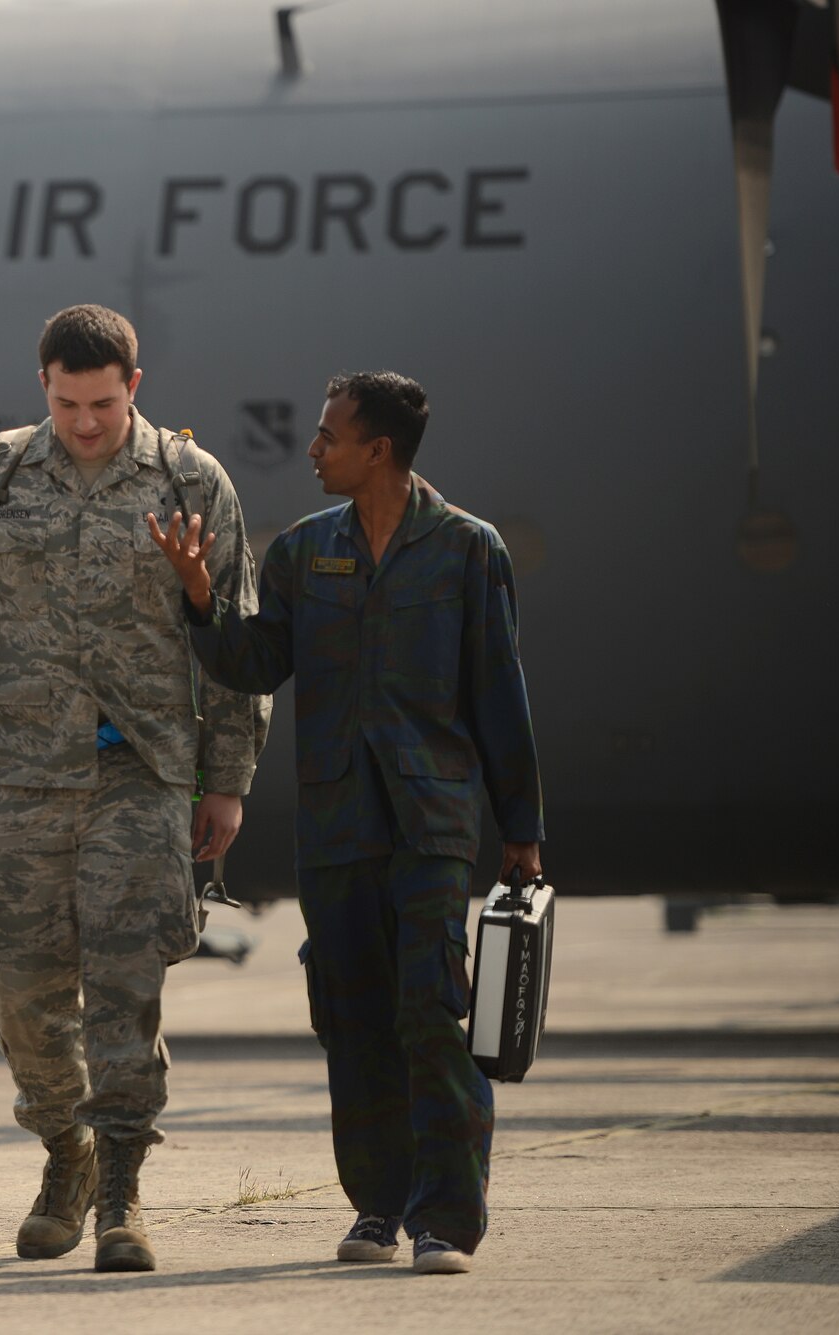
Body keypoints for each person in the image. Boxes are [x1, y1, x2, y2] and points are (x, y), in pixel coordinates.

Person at [0, 305, 271, 1272]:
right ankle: (69, 1152)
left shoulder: (192, 482)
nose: (86, 422)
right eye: (67, 402)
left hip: (137, 772)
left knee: (125, 987)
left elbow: (235, 637)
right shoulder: (0, 474)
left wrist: (224, 779)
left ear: (134, 387)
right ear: (43, 386)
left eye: (102, 403)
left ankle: (124, 1195)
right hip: (17, 774)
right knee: (17, 987)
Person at [147, 370, 545, 1276]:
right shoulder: (301, 552)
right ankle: (377, 1205)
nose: (315, 450)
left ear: (379, 452)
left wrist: (520, 825)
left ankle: (446, 1215)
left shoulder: (466, 550)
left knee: (432, 1013)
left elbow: (499, 694)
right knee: (352, 1017)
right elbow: (256, 663)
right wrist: (202, 596)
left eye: (330, 437)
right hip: (336, 827)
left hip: (430, 824)